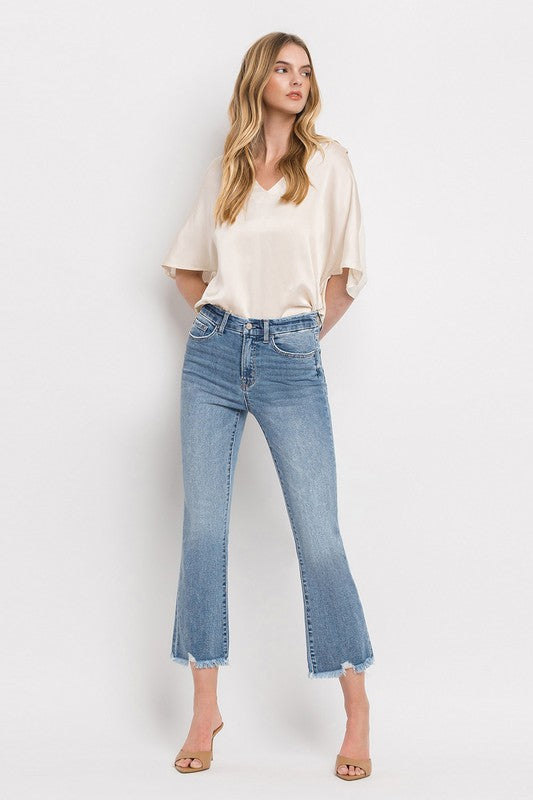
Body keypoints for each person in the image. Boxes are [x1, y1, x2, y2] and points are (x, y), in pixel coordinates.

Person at [161, 32, 374, 781]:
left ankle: (355, 706)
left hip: (290, 356)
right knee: (202, 533)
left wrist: (294, 341)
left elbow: (344, 280)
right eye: (282, 68)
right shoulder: (228, 168)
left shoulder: (329, 164)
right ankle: (204, 705)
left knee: (319, 538)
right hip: (214, 358)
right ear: (258, 80)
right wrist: (223, 325)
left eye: (305, 70)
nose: (296, 80)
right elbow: (187, 267)